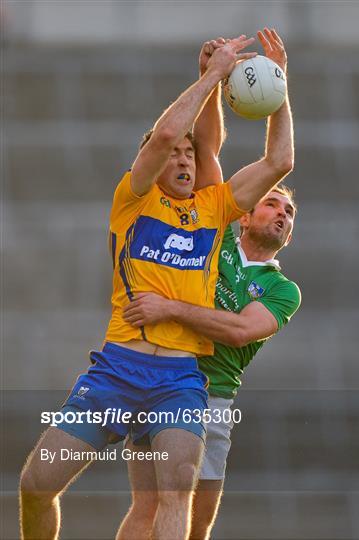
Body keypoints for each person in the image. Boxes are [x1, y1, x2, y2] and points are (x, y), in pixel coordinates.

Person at [19, 32, 293, 540]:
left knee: (174, 499)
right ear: (149, 161)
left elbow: (279, 163)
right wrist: (211, 76)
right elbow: (166, 134)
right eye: (174, 154)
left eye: (191, 154)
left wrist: (278, 90)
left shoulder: (214, 210)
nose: (185, 159)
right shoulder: (134, 197)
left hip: (178, 383)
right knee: (36, 484)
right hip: (114, 373)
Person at [119, 28, 300, 540]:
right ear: (244, 215)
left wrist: (280, 90)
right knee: (148, 510)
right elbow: (205, 148)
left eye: (289, 212)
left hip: (215, 397)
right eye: (271, 203)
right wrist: (210, 81)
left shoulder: (285, 291)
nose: (281, 213)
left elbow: (240, 331)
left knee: (194, 530)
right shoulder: (213, 230)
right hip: (164, 374)